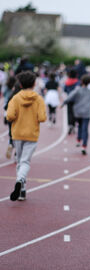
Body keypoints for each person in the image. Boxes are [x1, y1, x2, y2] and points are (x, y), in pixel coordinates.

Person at [7, 71, 47, 201]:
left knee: (20, 160)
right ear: (35, 84)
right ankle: (20, 181)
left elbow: (10, 116)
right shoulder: (39, 99)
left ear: (20, 83)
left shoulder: (15, 98)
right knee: (25, 161)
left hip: (17, 133)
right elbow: (42, 118)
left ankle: (22, 190)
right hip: (31, 134)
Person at [61, 74, 90, 155]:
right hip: (86, 113)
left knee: (79, 125)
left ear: (81, 81)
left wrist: (63, 103)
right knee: (85, 128)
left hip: (77, 112)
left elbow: (69, 97)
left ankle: (78, 139)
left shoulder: (77, 90)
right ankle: (84, 146)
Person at [4, 81, 22, 160]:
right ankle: (16, 154)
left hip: (10, 118)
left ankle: (11, 143)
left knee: (11, 133)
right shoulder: (21, 97)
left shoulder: (11, 96)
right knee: (19, 136)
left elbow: (5, 107)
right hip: (19, 118)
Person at [64, 69, 80, 135]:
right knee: (75, 112)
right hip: (76, 100)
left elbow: (64, 89)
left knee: (69, 112)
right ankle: (74, 124)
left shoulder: (67, 82)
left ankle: (70, 124)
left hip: (69, 99)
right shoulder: (77, 82)